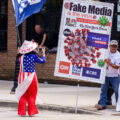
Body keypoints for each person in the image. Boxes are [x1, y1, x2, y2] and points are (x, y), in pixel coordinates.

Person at [16, 40, 46, 116]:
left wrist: (18, 53)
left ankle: (22, 113)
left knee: (23, 95)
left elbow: (17, 59)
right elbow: (43, 61)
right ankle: (31, 112)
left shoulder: (20, 58)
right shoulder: (34, 56)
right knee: (32, 95)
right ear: (30, 49)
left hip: (22, 78)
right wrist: (43, 54)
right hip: (32, 78)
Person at [97, 40, 120, 110]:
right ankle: (102, 104)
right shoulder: (105, 52)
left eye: (115, 46)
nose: (113, 47)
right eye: (112, 46)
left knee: (117, 91)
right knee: (103, 90)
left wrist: (108, 62)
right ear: (109, 46)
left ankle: (118, 105)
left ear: (117, 47)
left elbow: (117, 67)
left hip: (115, 76)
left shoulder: (118, 55)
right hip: (105, 75)